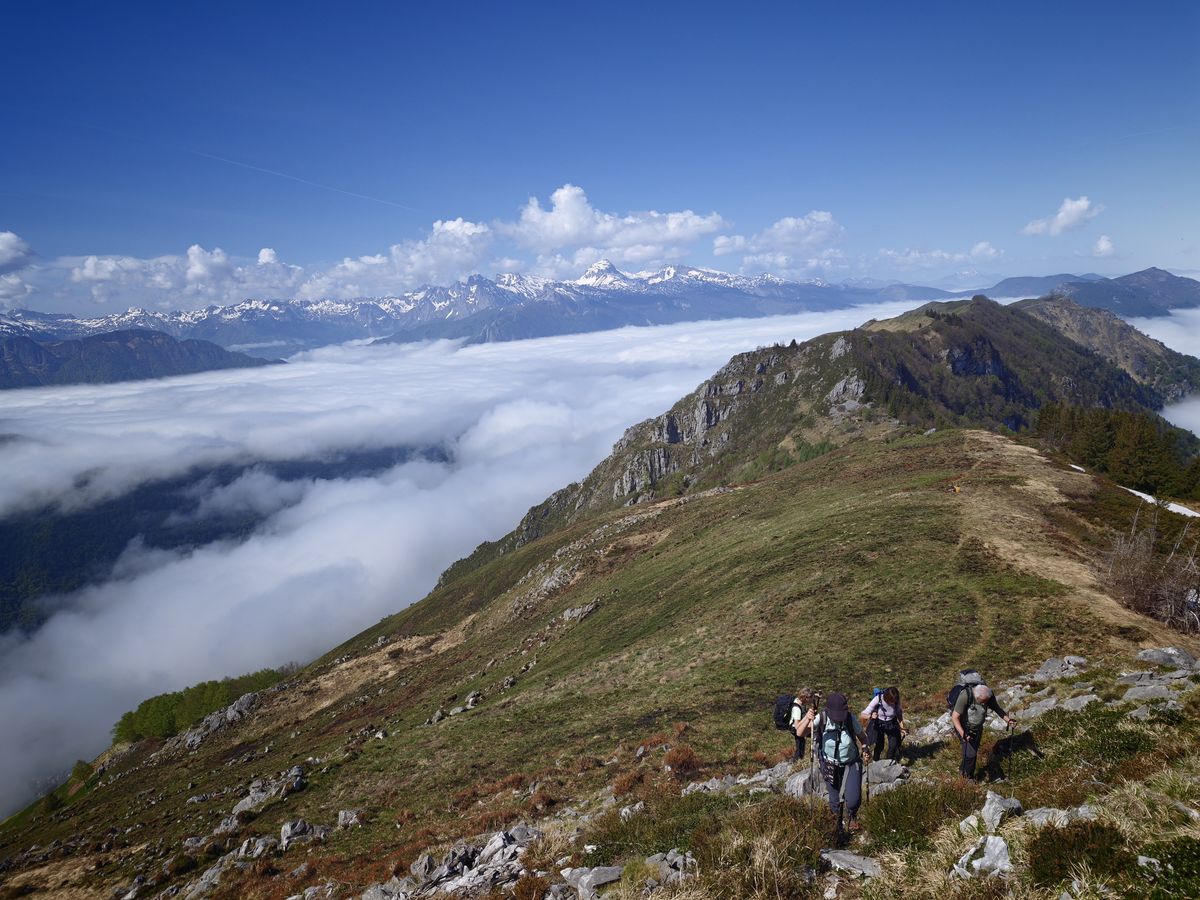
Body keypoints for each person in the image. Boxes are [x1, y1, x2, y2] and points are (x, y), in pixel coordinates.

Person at [796, 692, 868, 834]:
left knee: (853, 800)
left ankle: (851, 816)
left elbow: (863, 737)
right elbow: (800, 733)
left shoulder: (849, 718)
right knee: (835, 800)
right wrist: (807, 718)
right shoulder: (821, 718)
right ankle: (838, 826)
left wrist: (866, 748)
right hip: (829, 765)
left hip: (851, 763)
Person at [952, 683, 1015, 780]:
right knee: (971, 754)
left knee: (972, 751)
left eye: (986, 702)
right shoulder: (965, 696)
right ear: (976, 697)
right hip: (963, 728)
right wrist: (963, 734)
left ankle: (963, 770)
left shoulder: (988, 695)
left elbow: (997, 708)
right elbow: (955, 717)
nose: (984, 704)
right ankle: (967, 778)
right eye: (982, 702)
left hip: (977, 728)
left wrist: (1008, 720)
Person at [861, 686, 905, 762]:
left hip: (892, 723)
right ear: (887, 698)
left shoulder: (896, 702)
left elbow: (899, 715)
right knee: (879, 745)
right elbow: (863, 714)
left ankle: (889, 762)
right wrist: (870, 716)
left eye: (895, 701)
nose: (894, 703)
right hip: (878, 723)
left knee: (893, 745)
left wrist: (902, 728)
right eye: (892, 701)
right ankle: (875, 761)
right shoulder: (878, 699)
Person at [789, 688, 815, 762]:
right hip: (795, 729)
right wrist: (807, 717)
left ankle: (799, 759)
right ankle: (797, 761)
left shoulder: (799, 702)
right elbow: (797, 726)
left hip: (797, 726)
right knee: (800, 746)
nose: (809, 700)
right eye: (809, 698)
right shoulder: (797, 708)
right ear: (804, 697)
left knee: (801, 744)